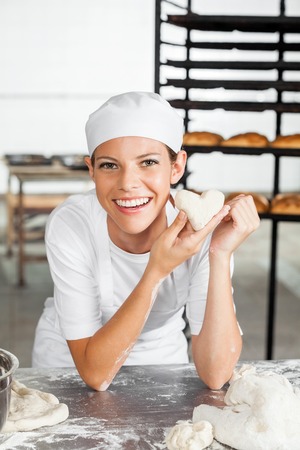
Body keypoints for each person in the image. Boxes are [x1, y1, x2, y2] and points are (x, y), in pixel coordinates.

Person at [32, 91, 260, 391]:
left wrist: (219, 252)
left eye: (148, 162)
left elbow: (216, 374)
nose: (127, 183)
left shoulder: (201, 226)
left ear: (176, 167)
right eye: (109, 165)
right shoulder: (72, 224)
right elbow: (95, 373)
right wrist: (156, 271)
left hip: (163, 363)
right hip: (68, 368)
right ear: (91, 170)